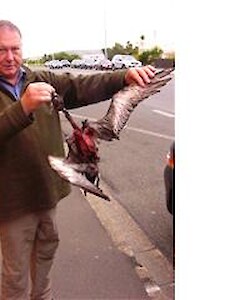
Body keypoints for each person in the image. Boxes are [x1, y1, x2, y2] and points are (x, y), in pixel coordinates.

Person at [0, 20, 156, 300]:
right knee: (15, 278)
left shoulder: (41, 79)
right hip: (11, 205)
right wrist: (23, 108)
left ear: (23, 49)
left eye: (15, 49)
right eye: (1, 50)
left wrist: (124, 77)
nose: (9, 57)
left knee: (45, 267)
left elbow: (81, 85)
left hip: (47, 195)